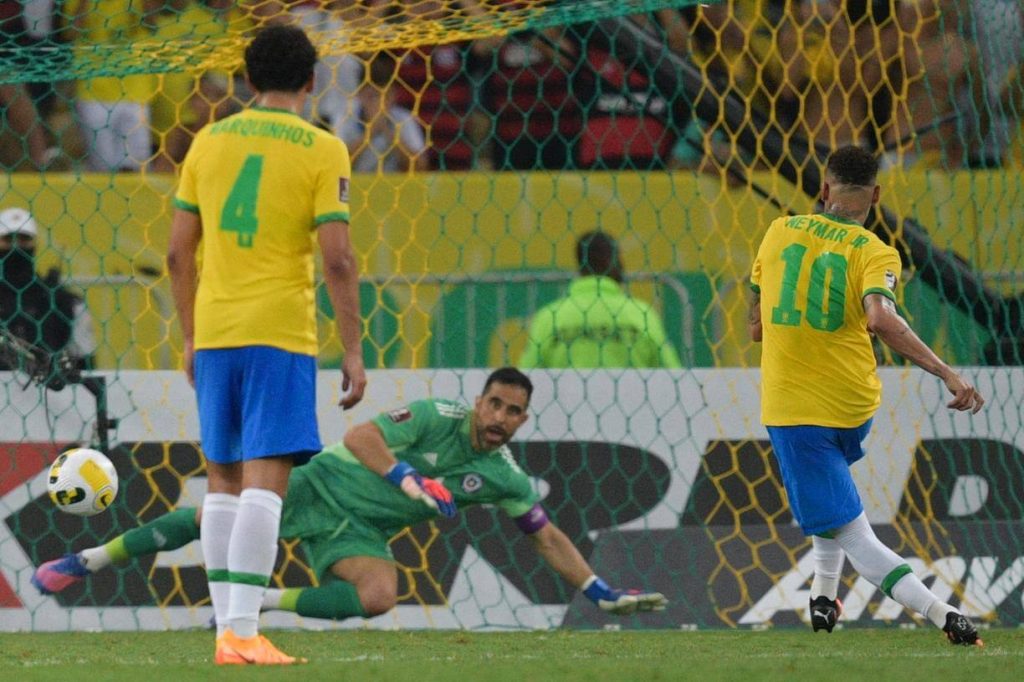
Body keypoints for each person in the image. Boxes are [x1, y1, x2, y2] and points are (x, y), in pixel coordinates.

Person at [32, 368, 667, 626]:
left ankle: (261, 600)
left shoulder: (502, 474)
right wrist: (407, 479)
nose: (501, 417)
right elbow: (361, 434)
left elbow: (548, 535)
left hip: (360, 532)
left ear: (524, 421)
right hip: (323, 484)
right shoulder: (436, 414)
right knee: (210, 519)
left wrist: (598, 591)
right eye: (496, 403)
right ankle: (88, 560)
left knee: (379, 596)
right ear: (479, 401)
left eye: (515, 412)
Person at [166, 24, 367, 665]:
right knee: (263, 487)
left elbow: (177, 252)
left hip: (218, 331)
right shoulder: (322, 147)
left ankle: (230, 631)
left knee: (222, 483)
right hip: (279, 332)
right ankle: (245, 633)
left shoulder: (207, 142)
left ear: (249, 81)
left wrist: (193, 335)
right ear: (312, 82)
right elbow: (337, 259)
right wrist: (354, 349)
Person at [748, 145, 986, 646]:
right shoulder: (875, 250)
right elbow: (879, 316)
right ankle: (824, 596)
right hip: (854, 404)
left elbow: (755, 325)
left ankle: (946, 615)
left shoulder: (778, 232)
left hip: (797, 409)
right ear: (875, 195)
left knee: (852, 530)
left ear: (822, 188)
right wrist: (946, 371)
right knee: (831, 498)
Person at [518, 231, 683, 369]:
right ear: (612, 259)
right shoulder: (641, 314)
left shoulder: (550, 316)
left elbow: (527, 375)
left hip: (566, 406)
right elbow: (672, 372)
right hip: (632, 406)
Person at [0, 207, 96, 382]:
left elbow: (84, 362)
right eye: (8, 239)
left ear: (35, 243)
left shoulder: (64, 301)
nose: (16, 245)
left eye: (23, 239)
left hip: (52, 395)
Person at [339, 51, 428, 173]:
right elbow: (337, 167)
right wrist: (370, 133)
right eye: (372, 96)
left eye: (385, 96)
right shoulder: (345, 118)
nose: (380, 103)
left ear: (394, 95)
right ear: (359, 95)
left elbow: (420, 167)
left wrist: (389, 132)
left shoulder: (403, 118)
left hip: (393, 188)